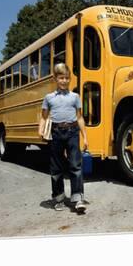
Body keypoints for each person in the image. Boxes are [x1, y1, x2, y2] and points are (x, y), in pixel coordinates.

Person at [39, 63, 88, 213]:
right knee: (56, 168)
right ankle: (59, 198)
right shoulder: (49, 98)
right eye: (61, 78)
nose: (64, 81)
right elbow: (44, 117)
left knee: (75, 165)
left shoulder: (75, 97)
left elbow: (80, 118)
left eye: (67, 78)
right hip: (56, 133)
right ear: (55, 78)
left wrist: (85, 137)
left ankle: (78, 198)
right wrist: (40, 131)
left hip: (72, 131)